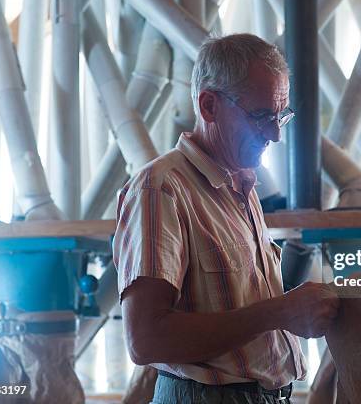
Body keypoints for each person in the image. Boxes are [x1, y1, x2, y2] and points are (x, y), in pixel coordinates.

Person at [113, 33, 340, 404]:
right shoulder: (160, 190)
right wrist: (278, 312)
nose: (275, 134)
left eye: (281, 115)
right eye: (261, 116)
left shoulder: (242, 187)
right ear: (209, 106)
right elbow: (146, 340)